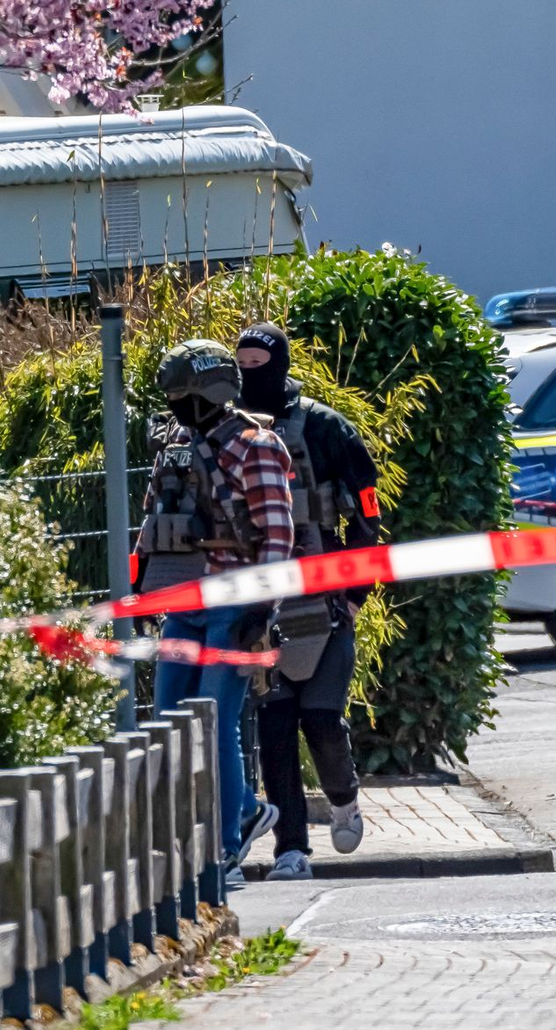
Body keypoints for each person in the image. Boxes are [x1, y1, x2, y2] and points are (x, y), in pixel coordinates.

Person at [135, 339, 294, 885]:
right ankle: (237, 815)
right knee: (170, 723)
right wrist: (141, 589)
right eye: (172, 396)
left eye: (185, 395)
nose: (177, 406)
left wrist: (261, 609)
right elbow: (154, 518)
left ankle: (225, 848)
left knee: (216, 722)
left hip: (233, 606)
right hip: (182, 603)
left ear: (211, 393)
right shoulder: (174, 444)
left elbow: (278, 536)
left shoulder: (259, 446)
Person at [235, 321, 382, 882]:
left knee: (322, 722)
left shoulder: (324, 427)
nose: (251, 377)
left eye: (259, 366)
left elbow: (367, 514)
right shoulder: (232, 432)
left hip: (325, 604)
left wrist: (355, 593)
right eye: (241, 366)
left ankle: (344, 797)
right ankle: (290, 850)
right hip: (264, 609)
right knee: (274, 734)